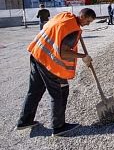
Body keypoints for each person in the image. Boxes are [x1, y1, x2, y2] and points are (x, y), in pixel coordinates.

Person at [16, 8, 96, 137]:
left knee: (35, 90)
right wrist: (83, 56)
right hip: (48, 62)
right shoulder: (73, 31)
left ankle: (24, 121)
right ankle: (58, 127)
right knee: (59, 92)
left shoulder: (65, 16)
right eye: (87, 21)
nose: (88, 24)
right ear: (82, 16)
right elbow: (63, 53)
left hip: (37, 54)